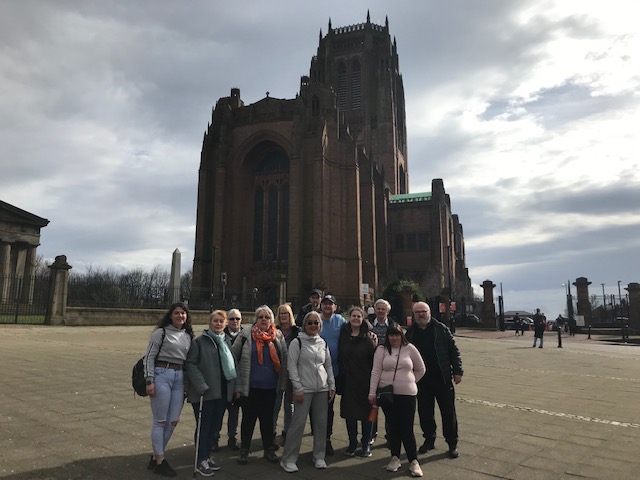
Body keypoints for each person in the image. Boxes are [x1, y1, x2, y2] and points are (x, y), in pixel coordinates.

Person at [280, 311, 336, 472]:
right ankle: (288, 458)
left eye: (316, 323)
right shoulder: (297, 342)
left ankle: (319, 456)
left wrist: (331, 384)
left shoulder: (322, 343)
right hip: (304, 389)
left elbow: (328, 365)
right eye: (310, 323)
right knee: (297, 424)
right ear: (304, 325)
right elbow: (291, 367)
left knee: (320, 424)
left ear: (320, 326)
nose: (313, 325)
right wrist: (298, 387)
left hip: (322, 389)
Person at [232, 305, 288, 465]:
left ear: (271, 320)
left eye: (267, 317)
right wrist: (237, 383)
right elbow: (232, 356)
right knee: (248, 420)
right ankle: (244, 450)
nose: (264, 319)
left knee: (268, 421)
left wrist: (282, 385)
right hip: (250, 387)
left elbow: (284, 362)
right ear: (256, 319)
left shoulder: (278, 336)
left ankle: (268, 449)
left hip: (270, 388)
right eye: (261, 317)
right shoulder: (246, 334)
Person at [406, 302, 463, 460]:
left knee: (448, 412)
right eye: (417, 312)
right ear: (414, 314)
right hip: (421, 381)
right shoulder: (410, 333)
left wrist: (457, 371)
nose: (421, 315)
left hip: (442, 378)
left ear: (429, 313)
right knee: (425, 412)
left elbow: (453, 350)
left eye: (423, 311)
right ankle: (429, 439)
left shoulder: (441, 329)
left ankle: (452, 444)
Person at [369, 323, 426, 477]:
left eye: (397, 335)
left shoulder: (410, 348)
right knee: (393, 427)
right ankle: (395, 458)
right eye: (391, 335)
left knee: (407, 428)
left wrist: (410, 381)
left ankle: (413, 461)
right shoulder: (381, 350)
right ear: (387, 336)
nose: (394, 338)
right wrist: (372, 392)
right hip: (388, 394)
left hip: (407, 394)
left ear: (402, 335)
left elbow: (421, 369)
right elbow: (376, 371)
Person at [144, 302, 194, 477]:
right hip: (161, 374)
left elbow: (189, 363)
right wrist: (149, 380)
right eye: (177, 313)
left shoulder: (188, 336)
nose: (180, 316)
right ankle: (160, 460)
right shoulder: (161, 333)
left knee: (173, 421)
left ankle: (156, 455)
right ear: (170, 315)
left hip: (179, 377)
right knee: (160, 421)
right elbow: (149, 357)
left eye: (183, 313)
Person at [185, 310, 236, 477]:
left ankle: (207, 456)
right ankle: (200, 460)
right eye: (215, 321)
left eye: (222, 321)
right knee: (204, 428)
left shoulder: (226, 341)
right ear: (210, 323)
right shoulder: (199, 342)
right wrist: (200, 385)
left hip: (221, 391)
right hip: (205, 392)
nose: (219, 324)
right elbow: (191, 365)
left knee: (214, 427)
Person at [338, 306, 376, 457]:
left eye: (358, 317)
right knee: (350, 415)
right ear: (349, 318)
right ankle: (352, 442)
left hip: (365, 382)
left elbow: (374, 362)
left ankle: (366, 443)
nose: (355, 319)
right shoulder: (343, 335)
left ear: (363, 319)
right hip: (348, 381)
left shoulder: (368, 338)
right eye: (353, 316)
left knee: (367, 415)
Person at [317, 294, 347, 455]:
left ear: (335, 307)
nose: (327, 306)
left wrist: (369, 332)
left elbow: (355, 328)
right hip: (315, 374)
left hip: (333, 374)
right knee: (315, 409)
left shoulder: (340, 321)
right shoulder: (315, 319)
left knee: (328, 409)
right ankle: (318, 437)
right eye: (325, 303)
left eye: (331, 304)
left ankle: (326, 440)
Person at [213, 308, 244, 452]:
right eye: (232, 319)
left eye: (237, 319)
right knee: (218, 412)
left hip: (238, 380)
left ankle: (232, 438)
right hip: (222, 381)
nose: (235, 321)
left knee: (234, 412)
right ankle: (215, 438)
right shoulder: (220, 336)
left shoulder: (246, 336)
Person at [273, 303, 301, 448]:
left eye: (286, 313)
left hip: (292, 375)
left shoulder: (297, 332)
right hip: (276, 374)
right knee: (274, 405)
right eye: (281, 313)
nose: (284, 316)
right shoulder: (273, 331)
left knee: (289, 406)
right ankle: (271, 434)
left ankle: (287, 433)